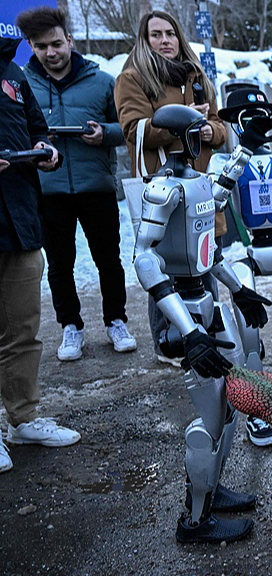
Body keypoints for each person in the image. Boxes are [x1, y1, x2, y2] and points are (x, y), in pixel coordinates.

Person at [17, 7, 136, 362]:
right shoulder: (21, 85)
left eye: (56, 43)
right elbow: (15, 133)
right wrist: (37, 141)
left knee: (108, 261)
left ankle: (116, 320)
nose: (50, 52)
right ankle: (70, 326)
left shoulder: (102, 81)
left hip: (96, 187)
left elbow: (126, 129)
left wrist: (103, 134)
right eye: (41, 46)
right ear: (31, 47)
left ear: (69, 40)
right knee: (59, 265)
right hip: (49, 191)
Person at [113, 10, 228, 365]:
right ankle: (170, 342)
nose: (165, 40)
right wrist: (183, 117)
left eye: (170, 33)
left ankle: (206, 335)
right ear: (144, 40)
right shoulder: (133, 78)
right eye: (156, 34)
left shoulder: (196, 75)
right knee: (166, 265)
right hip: (164, 193)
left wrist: (207, 129)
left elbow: (220, 128)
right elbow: (134, 129)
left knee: (206, 259)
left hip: (199, 189)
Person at [0, 35, 80, 475]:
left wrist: (44, 148)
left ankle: (23, 419)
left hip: (20, 222)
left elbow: (36, 127)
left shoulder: (12, 72)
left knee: (23, 330)